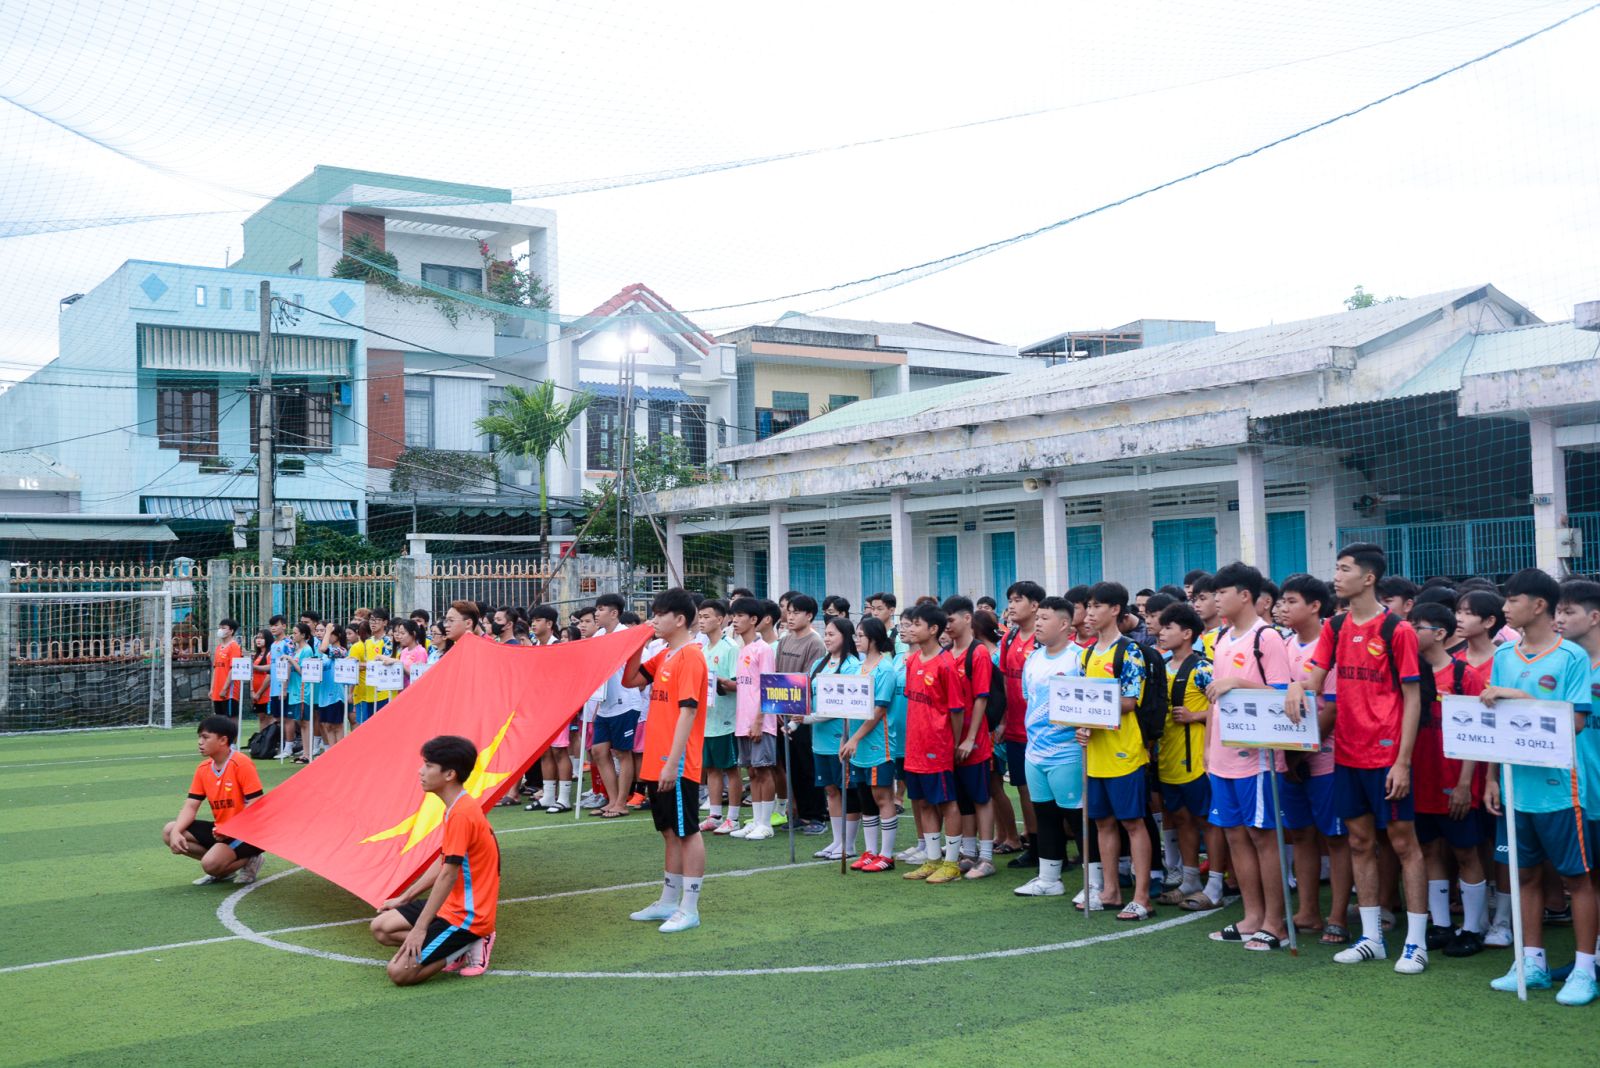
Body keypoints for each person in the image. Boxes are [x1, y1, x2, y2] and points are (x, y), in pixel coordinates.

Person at [1289, 542, 1429, 973]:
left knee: (1404, 844)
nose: (1336, 575)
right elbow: (1314, 677)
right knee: (1359, 843)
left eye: (1344, 568)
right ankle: (1372, 938)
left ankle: (1416, 944)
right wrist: (1297, 687)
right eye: (1336, 568)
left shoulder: (1397, 630)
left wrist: (1403, 761)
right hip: (1347, 755)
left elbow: (1413, 699)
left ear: (1368, 578)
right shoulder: (1334, 626)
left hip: (1387, 756)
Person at [1481, 569, 1596, 1004]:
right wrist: (1491, 778)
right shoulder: (1505, 654)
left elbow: (1578, 720)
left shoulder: (1571, 658)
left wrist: (1524, 700)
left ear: (1539, 606)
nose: (1505, 607)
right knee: (1522, 875)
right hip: (1515, 787)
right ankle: (1532, 962)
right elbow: (1493, 723)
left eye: (1513, 600)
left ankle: (1584, 969)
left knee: (1576, 879)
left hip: (1560, 790)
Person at [371, 735, 502, 983]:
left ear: (449, 774)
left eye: (429, 766)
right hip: (451, 906)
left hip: (468, 917)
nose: (421, 772)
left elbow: (448, 873)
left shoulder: (462, 813)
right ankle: (450, 947)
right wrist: (406, 896)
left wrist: (420, 929)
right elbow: (444, 860)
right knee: (381, 928)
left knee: (399, 973)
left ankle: (469, 942)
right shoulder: (455, 806)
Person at [622, 589, 711, 934]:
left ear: (680, 619)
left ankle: (690, 907)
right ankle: (668, 901)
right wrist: (634, 644)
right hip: (656, 761)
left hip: (676, 762)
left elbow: (688, 712)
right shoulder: (665, 654)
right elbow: (630, 680)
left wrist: (673, 763)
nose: (653, 620)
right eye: (652, 614)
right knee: (669, 832)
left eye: (659, 614)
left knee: (687, 831)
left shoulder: (690, 656)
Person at [1406, 601, 1490, 958]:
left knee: (1466, 852)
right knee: (1429, 850)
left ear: (1439, 634)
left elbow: (1476, 736)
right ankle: (1440, 924)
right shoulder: (1408, 674)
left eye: (1417, 627)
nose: (1408, 633)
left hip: (1455, 782)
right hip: (1419, 779)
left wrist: (1464, 785)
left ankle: (1472, 928)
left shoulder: (1463, 676)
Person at [1277, 573, 1353, 944]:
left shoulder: (1332, 645)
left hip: (1326, 758)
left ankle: (1337, 915)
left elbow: (1333, 709)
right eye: (1282, 601)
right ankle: (1308, 910)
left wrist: (1302, 751)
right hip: (1289, 758)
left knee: (1336, 838)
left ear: (1315, 606)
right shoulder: (1284, 646)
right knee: (1301, 834)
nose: (1283, 608)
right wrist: (1289, 756)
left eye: (1292, 601)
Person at [1076, 581, 1156, 921]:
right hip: (1095, 752)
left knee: (1132, 823)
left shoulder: (1130, 651)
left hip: (1124, 751)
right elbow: (1079, 699)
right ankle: (1110, 890)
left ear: (1115, 610)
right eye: (1088, 606)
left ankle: (1142, 897)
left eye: (1096, 606)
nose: (1089, 613)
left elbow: (1128, 701)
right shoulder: (1087, 653)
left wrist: (1092, 719)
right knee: (1103, 822)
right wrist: (1080, 723)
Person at [1013, 596, 1089, 897]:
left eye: (1045, 618)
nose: (1039, 624)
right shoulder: (1033, 659)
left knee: (1077, 817)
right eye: (1038, 618)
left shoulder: (1079, 659)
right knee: (1043, 814)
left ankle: (1093, 882)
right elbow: (1028, 700)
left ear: (1065, 624)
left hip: (1069, 751)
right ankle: (1049, 878)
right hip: (1035, 751)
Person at [1152, 602, 1215, 910]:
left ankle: (1217, 881)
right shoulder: (1161, 666)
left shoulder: (1203, 668)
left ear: (1187, 633)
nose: (1161, 632)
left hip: (1196, 761)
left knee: (1207, 821)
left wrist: (1196, 716)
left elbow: (1223, 709)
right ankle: (1190, 878)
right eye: (1161, 627)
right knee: (1180, 818)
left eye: (1168, 627)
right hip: (1168, 757)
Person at [898, 603, 966, 884]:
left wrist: (953, 743)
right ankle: (932, 859)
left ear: (933, 629)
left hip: (937, 747)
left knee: (947, 802)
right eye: (909, 624)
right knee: (923, 802)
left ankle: (951, 864)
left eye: (916, 624)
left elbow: (957, 710)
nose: (910, 629)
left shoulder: (946, 664)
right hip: (913, 746)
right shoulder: (913, 660)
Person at [162, 715, 266, 886]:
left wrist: (232, 828)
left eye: (205, 737)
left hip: (248, 832)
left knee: (210, 864)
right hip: (221, 830)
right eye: (199, 737)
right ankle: (223, 866)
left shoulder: (241, 763)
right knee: (170, 831)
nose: (199, 742)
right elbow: (191, 805)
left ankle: (250, 860)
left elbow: (257, 804)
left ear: (223, 740)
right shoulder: (203, 769)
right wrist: (176, 833)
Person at [944, 596, 998, 880]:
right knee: (961, 796)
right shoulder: (945, 653)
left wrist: (971, 738)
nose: (947, 626)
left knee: (980, 796)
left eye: (951, 620)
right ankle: (968, 851)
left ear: (967, 618)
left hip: (972, 741)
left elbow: (981, 698)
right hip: (949, 739)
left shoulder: (977, 653)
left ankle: (987, 857)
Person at [841, 616, 901, 871]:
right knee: (865, 796)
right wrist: (845, 738)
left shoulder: (885, 669)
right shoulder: (856, 668)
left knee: (882, 796)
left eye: (861, 635)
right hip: (857, 745)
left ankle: (886, 855)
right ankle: (870, 851)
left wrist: (855, 738)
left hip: (879, 744)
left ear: (874, 639)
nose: (857, 640)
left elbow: (878, 711)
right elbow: (847, 706)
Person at [808, 615, 863, 861]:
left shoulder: (852, 665)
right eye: (826, 634)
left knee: (846, 790)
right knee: (830, 790)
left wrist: (808, 719)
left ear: (846, 637)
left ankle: (848, 844)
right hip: (819, 740)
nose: (828, 639)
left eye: (832, 634)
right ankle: (837, 840)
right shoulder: (818, 664)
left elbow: (844, 706)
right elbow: (809, 698)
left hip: (840, 739)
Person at [1000, 581, 1044, 865]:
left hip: (1041, 730)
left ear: (1035, 605)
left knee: (1043, 791)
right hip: (1015, 728)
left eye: (1018, 600)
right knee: (1023, 789)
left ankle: (1054, 846)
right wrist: (1003, 721)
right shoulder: (1009, 637)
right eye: (1011, 600)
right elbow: (1005, 680)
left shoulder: (1043, 640)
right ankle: (1035, 844)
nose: (1012, 606)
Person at [777, 594, 828, 834]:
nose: (790, 616)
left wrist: (797, 715)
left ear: (809, 616)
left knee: (808, 767)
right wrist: (777, 709)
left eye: (796, 612)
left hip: (803, 715)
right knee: (791, 766)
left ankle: (815, 816)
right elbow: (777, 676)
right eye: (789, 611)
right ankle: (799, 813)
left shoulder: (815, 643)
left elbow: (810, 679)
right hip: (784, 713)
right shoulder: (785, 640)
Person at [729, 596, 779, 839]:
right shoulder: (742, 649)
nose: (735, 620)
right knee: (753, 771)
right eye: (734, 615)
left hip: (761, 721)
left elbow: (768, 686)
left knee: (764, 770)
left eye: (740, 616)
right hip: (742, 721)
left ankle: (766, 824)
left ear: (754, 620)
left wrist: (760, 719)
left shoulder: (764, 649)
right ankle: (757, 820)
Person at [590, 593, 639, 819]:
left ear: (614, 613)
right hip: (605, 703)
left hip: (625, 702)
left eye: (601, 609)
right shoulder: (599, 635)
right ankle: (611, 800)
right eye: (596, 609)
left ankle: (621, 802)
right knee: (599, 751)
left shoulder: (626, 635)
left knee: (622, 752)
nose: (597, 613)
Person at [698, 599, 742, 834]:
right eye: (700, 617)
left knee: (731, 768)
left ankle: (733, 818)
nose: (702, 621)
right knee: (711, 768)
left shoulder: (731, 648)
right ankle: (715, 814)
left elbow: (739, 683)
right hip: (708, 719)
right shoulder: (703, 649)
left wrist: (722, 684)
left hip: (727, 720)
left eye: (706, 617)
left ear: (721, 619)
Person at [1455, 590, 1506, 687]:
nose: (1459, 619)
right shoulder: (1454, 661)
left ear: (1489, 621)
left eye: (1468, 613)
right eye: (1458, 612)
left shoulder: (1506, 661)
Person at [313, 621, 347, 752]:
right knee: (326, 725)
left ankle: (341, 752)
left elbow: (324, 648)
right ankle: (332, 752)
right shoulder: (325, 654)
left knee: (337, 725)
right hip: (323, 694)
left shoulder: (341, 651)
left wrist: (327, 631)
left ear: (337, 635)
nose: (327, 636)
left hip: (335, 695)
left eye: (331, 634)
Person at [265, 615, 294, 757]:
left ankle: (289, 746)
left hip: (284, 686)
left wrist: (284, 687)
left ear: (284, 626)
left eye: (276, 625)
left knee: (287, 717)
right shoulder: (273, 644)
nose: (273, 628)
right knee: (278, 717)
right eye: (271, 626)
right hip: (274, 687)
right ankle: (283, 745)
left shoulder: (287, 643)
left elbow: (289, 664)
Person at [209, 618, 243, 721]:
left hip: (229, 691)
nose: (220, 630)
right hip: (217, 690)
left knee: (231, 719)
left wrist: (225, 688)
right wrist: (212, 688)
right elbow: (215, 669)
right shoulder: (219, 647)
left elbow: (233, 669)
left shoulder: (234, 647)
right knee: (220, 719)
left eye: (224, 628)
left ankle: (233, 738)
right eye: (220, 628)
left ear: (231, 631)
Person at [248, 629, 272, 729]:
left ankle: (271, 741)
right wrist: (252, 691)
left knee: (269, 718)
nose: (259, 640)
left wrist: (259, 693)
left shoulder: (270, 654)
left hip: (266, 693)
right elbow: (251, 675)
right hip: (256, 693)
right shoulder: (256, 655)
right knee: (261, 718)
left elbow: (269, 674)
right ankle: (262, 741)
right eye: (257, 637)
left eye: (262, 638)